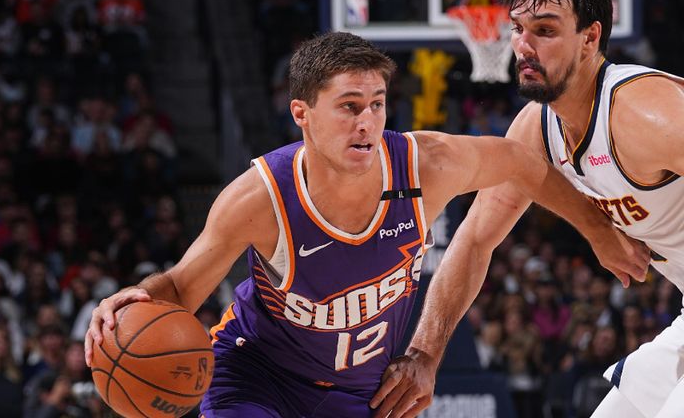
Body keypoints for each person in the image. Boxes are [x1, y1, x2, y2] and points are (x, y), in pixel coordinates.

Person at [85, 31, 647, 418]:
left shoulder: (427, 165)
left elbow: (526, 165)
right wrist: (138, 296)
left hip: (362, 392)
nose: (367, 122)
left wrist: (598, 231)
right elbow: (183, 287)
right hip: (256, 374)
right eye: (349, 106)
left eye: (377, 104)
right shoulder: (259, 197)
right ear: (302, 113)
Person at [408, 0, 683, 417]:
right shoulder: (535, 130)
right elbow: (474, 240)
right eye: (517, 28)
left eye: (546, 30)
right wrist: (424, 356)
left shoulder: (643, 113)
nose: (523, 45)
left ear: (589, 38)